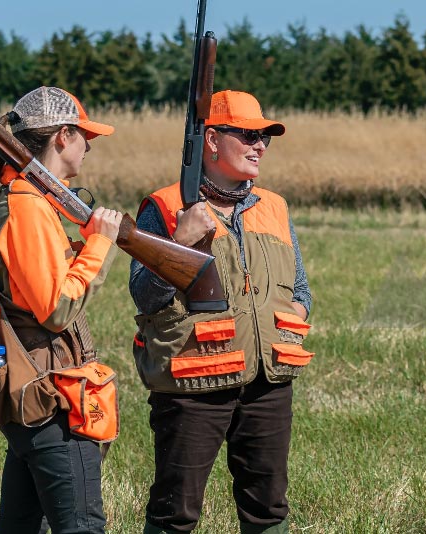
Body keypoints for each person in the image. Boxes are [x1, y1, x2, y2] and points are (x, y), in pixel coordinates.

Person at [130, 90, 313, 534]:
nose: (260, 146)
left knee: (268, 511)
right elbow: (145, 297)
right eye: (249, 135)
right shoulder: (164, 206)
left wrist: (287, 325)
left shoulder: (274, 206)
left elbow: (301, 288)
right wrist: (180, 240)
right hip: (193, 382)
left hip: (269, 382)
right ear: (211, 140)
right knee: (175, 513)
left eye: (265, 137)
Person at [0, 86, 121, 533]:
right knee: (81, 527)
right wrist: (100, 244)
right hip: (51, 396)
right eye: (85, 136)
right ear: (63, 135)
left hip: (36, 392)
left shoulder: (28, 200)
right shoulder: (26, 205)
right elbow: (57, 308)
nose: (88, 146)